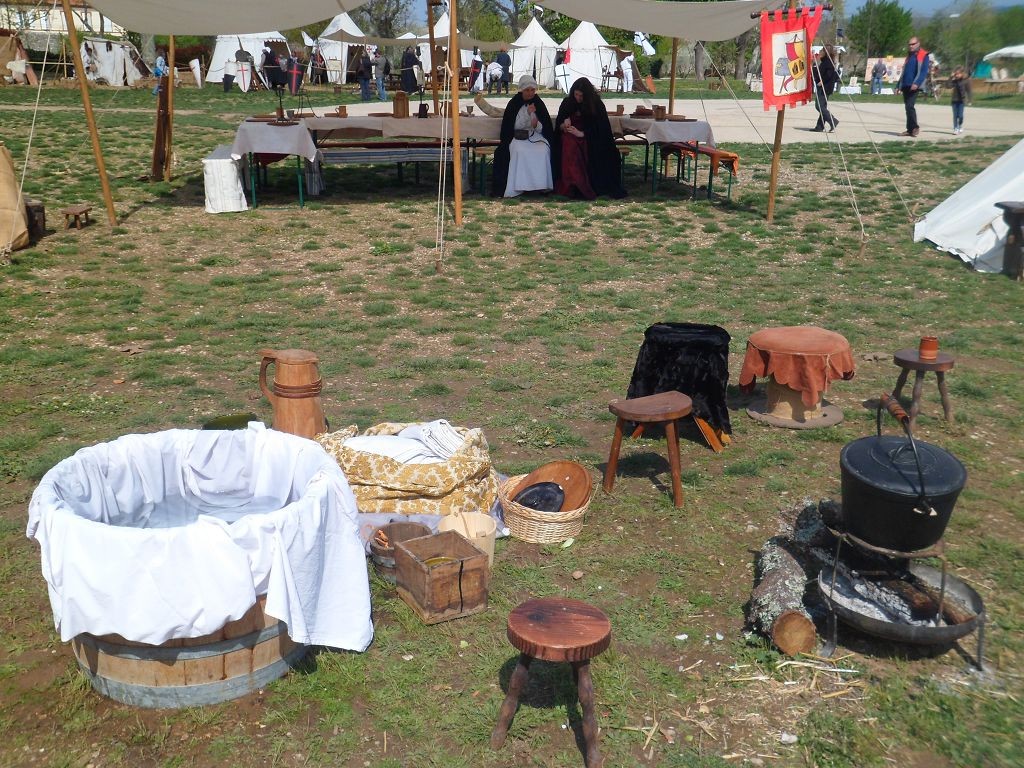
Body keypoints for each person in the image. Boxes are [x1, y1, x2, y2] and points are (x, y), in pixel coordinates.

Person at [552, 77, 626, 199]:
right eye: (576, 94)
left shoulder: (596, 105)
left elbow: (601, 129)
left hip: (591, 139)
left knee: (577, 146)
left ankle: (581, 185)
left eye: (581, 96)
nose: (578, 98)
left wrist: (583, 133)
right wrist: (564, 125)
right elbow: (559, 125)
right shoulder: (568, 102)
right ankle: (571, 184)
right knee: (569, 144)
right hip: (569, 136)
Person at [491, 75, 554, 197]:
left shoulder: (538, 103)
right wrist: (527, 115)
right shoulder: (514, 103)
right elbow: (513, 126)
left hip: (535, 136)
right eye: (527, 90)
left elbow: (543, 126)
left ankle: (539, 186)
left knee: (543, 150)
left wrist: (535, 121)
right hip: (518, 136)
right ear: (522, 90)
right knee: (520, 150)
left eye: (532, 90)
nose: (530, 93)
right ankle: (520, 186)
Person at [899, 36, 930, 137]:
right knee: (907, 108)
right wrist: (898, 85)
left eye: (913, 44)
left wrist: (917, 83)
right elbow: (904, 72)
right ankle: (910, 130)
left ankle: (915, 127)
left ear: (918, 43)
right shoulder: (909, 56)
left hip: (914, 85)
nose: (911, 46)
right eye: (909, 44)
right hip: (906, 85)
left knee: (910, 106)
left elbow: (923, 72)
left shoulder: (923, 55)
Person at [811, 47, 840, 131]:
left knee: (819, 106)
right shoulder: (824, 61)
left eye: (821, 51)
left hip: (825, 87)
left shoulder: (829, 62)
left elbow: (829, 75)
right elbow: (819, 73)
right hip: (823, 86)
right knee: (822, 106)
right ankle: (819, 127)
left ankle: (832, 120)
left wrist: (822, 82)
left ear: (826, 52)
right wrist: (814, 65)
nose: (820, 52)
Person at [950, 67, 972, 134]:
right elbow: (947, 86)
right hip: (954, 100)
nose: (957, 75)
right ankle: (955, 128)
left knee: (960, 116)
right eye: (956, 74)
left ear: (962, 74)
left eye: (958, 74)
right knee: (955, 116)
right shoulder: (954, 81)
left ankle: (960, 125)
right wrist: (950, 77)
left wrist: (969, 100)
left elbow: (969, 91)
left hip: (961, 101)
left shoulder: (966, 81)